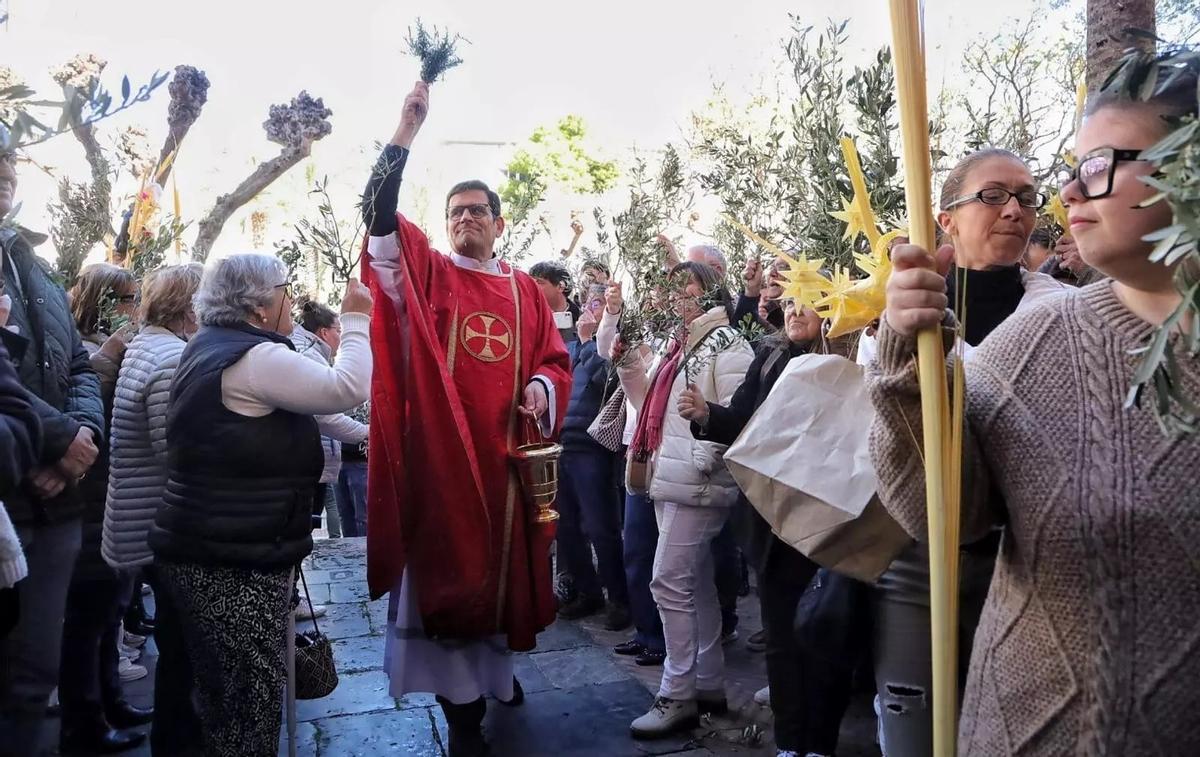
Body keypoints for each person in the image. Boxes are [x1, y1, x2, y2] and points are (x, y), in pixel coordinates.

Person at [869, 63, 1200, 755]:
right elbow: (943, 511)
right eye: (1075, 168)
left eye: (1103, 164)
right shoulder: (1037, 344)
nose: (1068, 194)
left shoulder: (1040, 303)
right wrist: (903, 355)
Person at [361, 81, 572, 757]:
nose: (464, 220)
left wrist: (541, 386)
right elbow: (379, 220)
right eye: (455, 211)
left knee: (505, 583)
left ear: (499, 223)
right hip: (446, 462)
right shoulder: (429, 273)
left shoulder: (526, 292)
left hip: (507, 464)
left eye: (478, 211)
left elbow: (555, 358)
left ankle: (497, 678)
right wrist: (403, 133)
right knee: (454, 579)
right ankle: (463, 715)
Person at [864, 147, 1066, 757]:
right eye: (991, 195)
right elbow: (885, 439)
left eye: (1026, 197)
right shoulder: (898, 317)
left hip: (1029, 561)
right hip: (915, 558)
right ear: (946, 218)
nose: (1013, 209)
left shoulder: (1063, 312)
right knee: (917, 729)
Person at [148, 255, 373, 757]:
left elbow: (321, 413)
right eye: (285, 289)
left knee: (223, 693)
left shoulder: (214, 346)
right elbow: (345, 388)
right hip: (233, 558)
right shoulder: (254, 359)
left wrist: (366, 435)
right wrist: (357, 319)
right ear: (258, 303)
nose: (291, 298)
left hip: (208, 546)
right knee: (249, 702)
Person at [680, 299, 866, 757]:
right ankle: (789, 741)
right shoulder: (769, 357)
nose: (795, 311)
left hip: (832, 518)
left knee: (829, 634)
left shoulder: (857, 355)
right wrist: (707, 414)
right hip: (773, 518)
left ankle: (820, 742)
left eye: (809, 303)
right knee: (781, 638)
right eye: (789, 303)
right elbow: (742, 416)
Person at [614, 261, 754, 739]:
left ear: (710, 291)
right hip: (669, 475)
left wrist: (702, 458)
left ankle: (676, 693)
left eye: (685, 286)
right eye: (671, 287)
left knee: (667, 583)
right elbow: (647, 406)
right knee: (693, 585)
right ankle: (709, 684)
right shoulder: (682, 344)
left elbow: (737, 411)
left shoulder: (728, 342)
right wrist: (629, 362)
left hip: (695, 481)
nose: (676, 295)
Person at [0, 151, 106, 755]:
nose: (6, 164)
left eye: (10, 156)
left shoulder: (35, 270)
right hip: (8, 498)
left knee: (36, 675)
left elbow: (77, 368)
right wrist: (59, 440)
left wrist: (80, 438)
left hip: (59, 503)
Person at [102, 263, 202, 755]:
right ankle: (178, 743)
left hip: (144, 518)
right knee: (182, 649)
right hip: (162, 522)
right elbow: (176, 453)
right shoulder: (169, 359)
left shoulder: (147, 345)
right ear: (189, 307)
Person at [59, 263, 148, 755]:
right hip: (88, 501)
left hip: (114, 498)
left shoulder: (109, 343)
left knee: (112, 607)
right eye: (127, 298)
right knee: (88, 617)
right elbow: (86, 407)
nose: (134, 308)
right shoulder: (79, 347)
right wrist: (113, 354)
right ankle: (85, 721)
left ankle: (112, 700)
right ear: (103, 300)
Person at [549, 259, 629, 631]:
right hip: (563, 442)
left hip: (593, 445)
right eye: (587, 302)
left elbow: (608, 381)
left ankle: (620, 597)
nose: (589, 309)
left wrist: (585, 342)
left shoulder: (615, 341)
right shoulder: (571, 342)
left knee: (601, 525)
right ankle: (587, 591)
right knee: (566, 526)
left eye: (597, 303)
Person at [292, 299, 369, 546]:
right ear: (324, 332)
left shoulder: (312, 354)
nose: (340, 337)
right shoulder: (307, 355)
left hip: (323, 460)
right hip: (309, 462)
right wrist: (369, 432)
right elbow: (328, 410)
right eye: (339, 330)